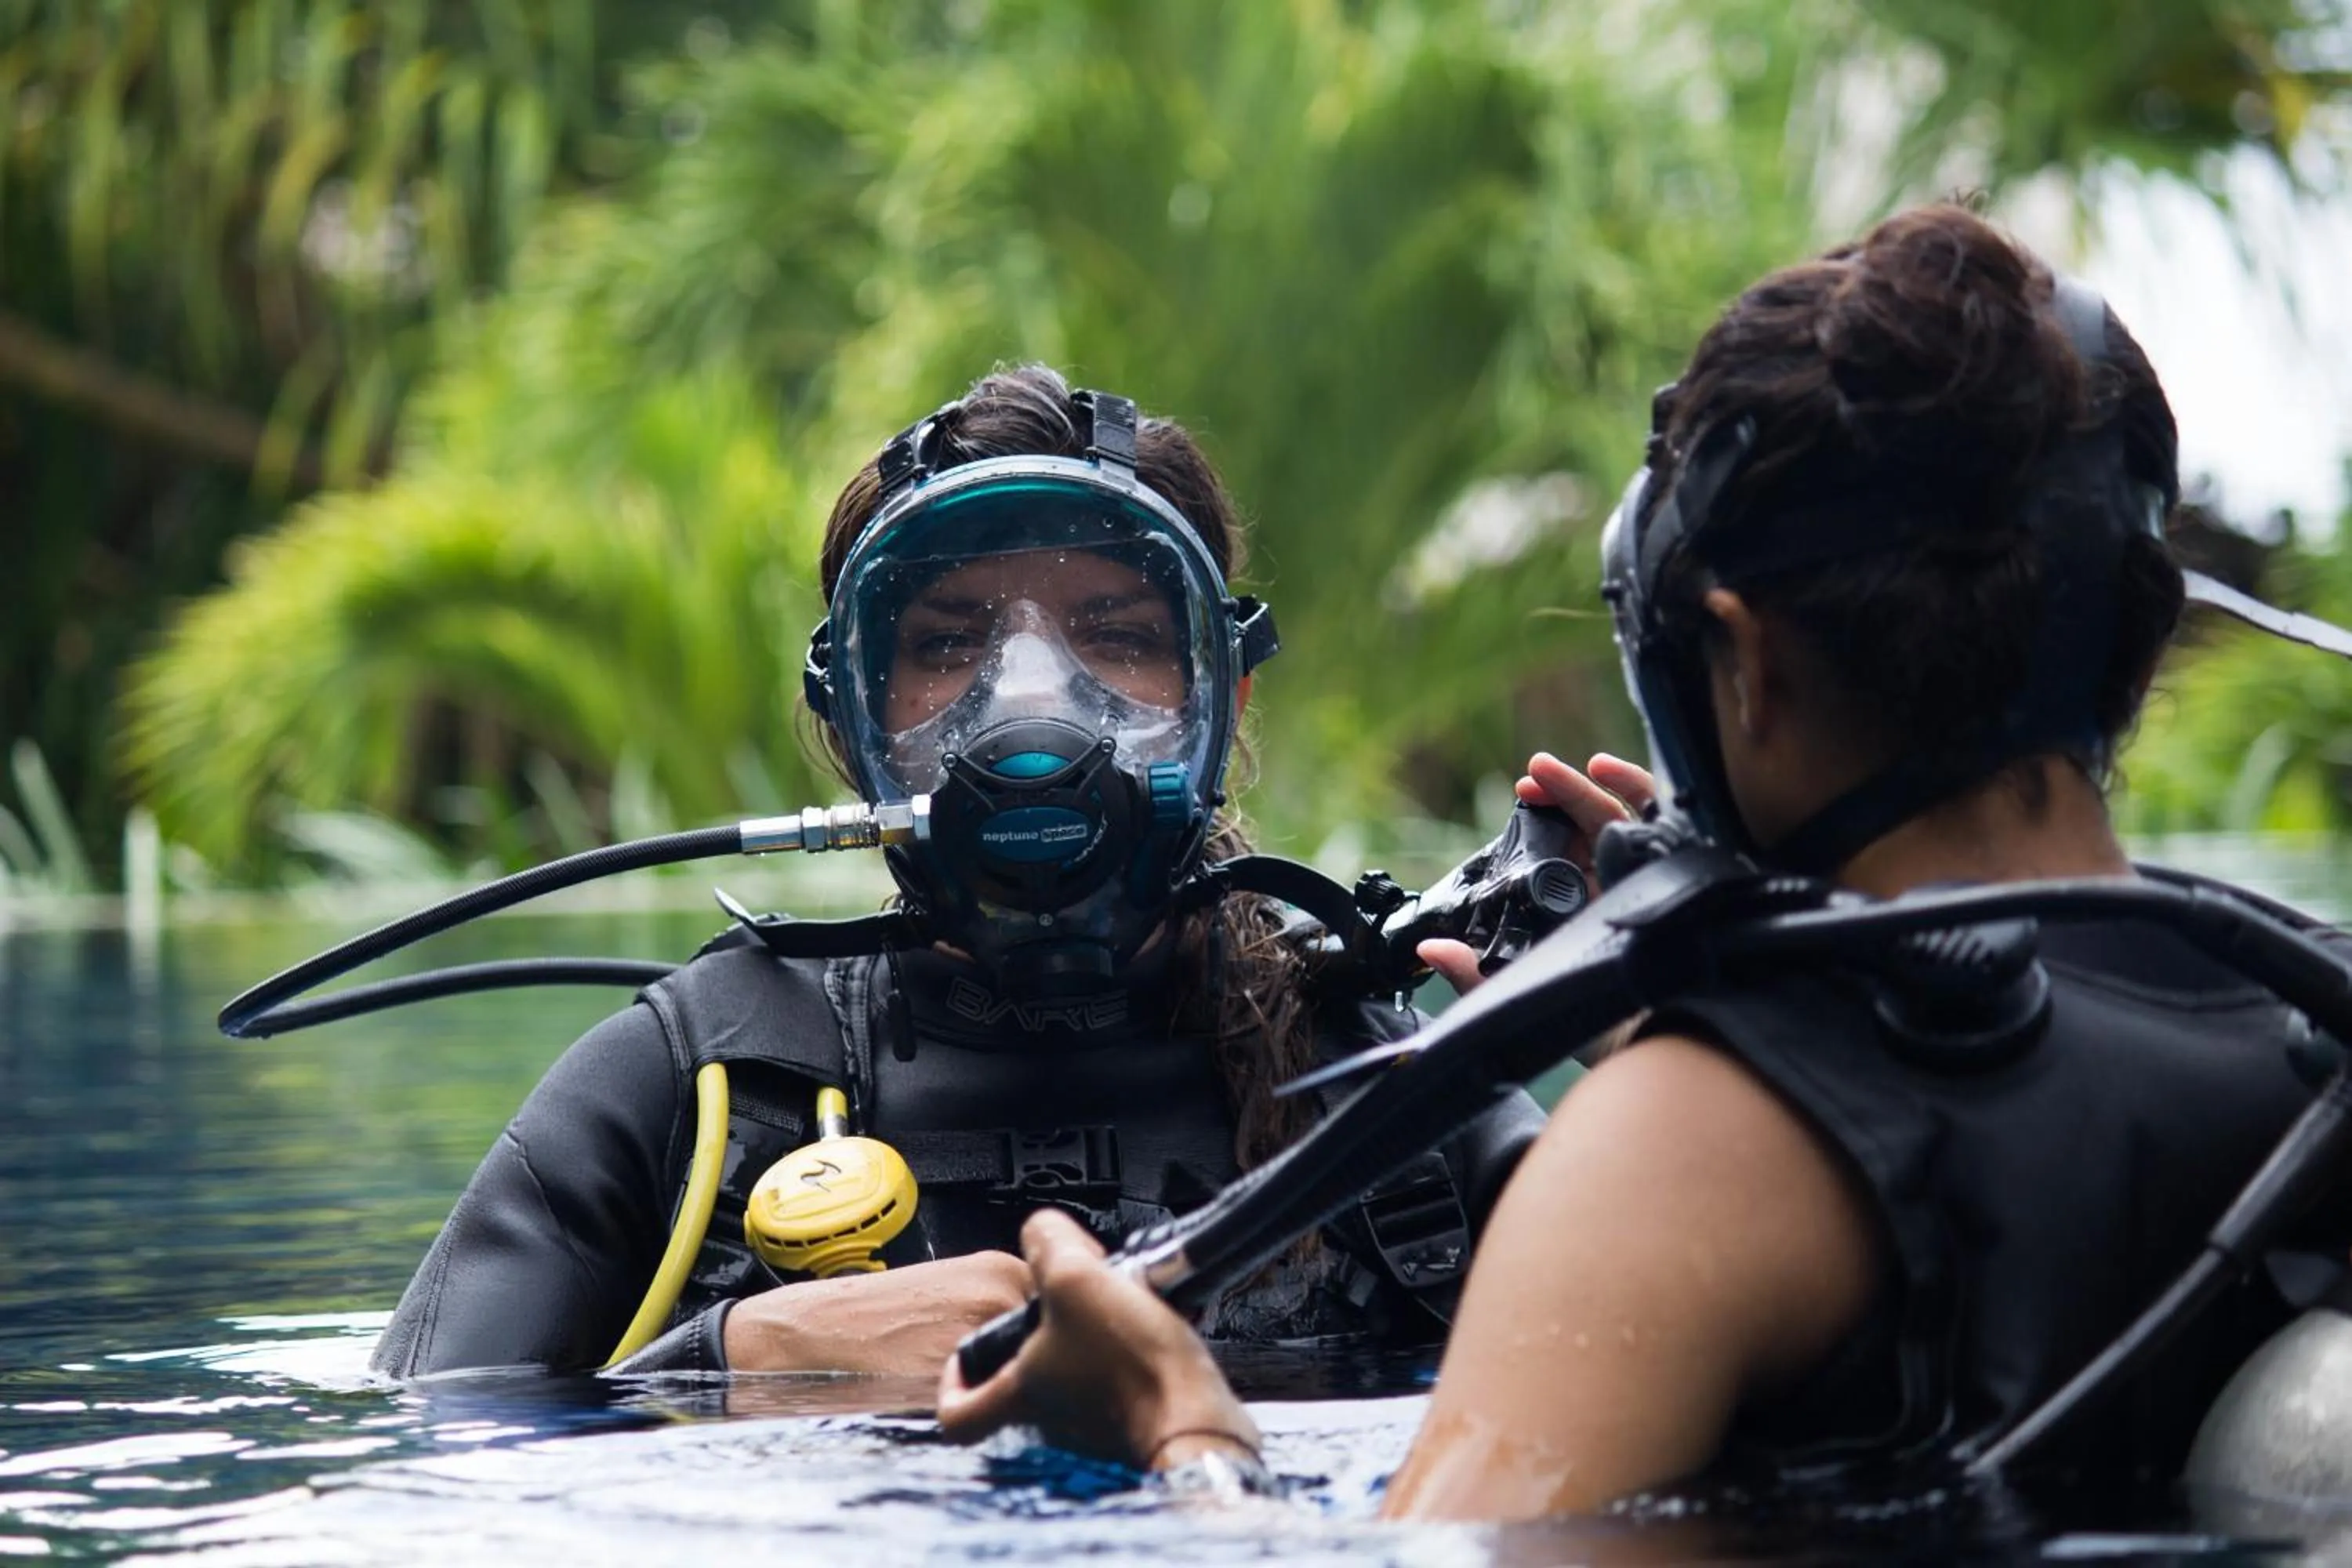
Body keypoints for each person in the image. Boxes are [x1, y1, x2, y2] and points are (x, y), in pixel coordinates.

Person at [935, 205, 2338, 1516]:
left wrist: (1181, 1427)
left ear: (1744, 662)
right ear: (2141, 642)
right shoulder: (2295, 1034)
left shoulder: (1688, 1151)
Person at [370, 365, 1545, 1380]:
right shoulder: (693, 1087)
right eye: (945, 645)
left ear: (1220, 695)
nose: (1031, 703)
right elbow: (421, 1459)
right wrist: (743, 1354)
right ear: (850, 724)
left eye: (1120, 634)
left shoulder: (1390, 1090)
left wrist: (1676, 1046)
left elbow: (1697, 1380)